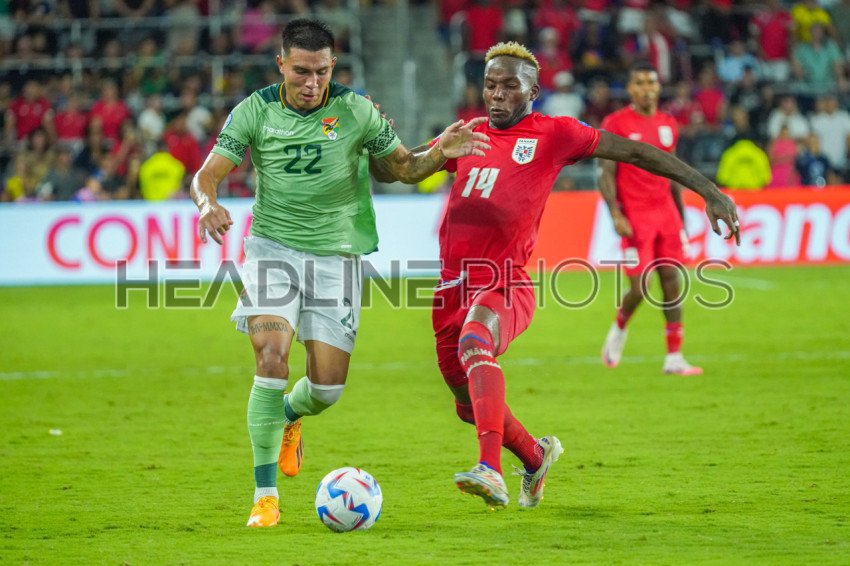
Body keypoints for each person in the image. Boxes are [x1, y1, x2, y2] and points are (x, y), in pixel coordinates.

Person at [372, 43, 740, 509]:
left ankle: (489, 469)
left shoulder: (555, 134)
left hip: (506, 280)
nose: (497, 94)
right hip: (450, 288)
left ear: (533, 92)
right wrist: (378, 138)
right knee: (468, 407)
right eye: (490, 85)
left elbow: (634, 151)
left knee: (475, 343)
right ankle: (535, 457)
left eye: (510, 86)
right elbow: (399, 172)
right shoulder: (468, 135)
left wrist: (709, 190)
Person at [191, 19, 489, 528]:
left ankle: (289, 415)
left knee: (326, 389)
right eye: (301, 72)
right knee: (270, 359)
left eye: (322, 72)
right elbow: (206, 175)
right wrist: (207, 204)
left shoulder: (356, 110)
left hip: (337, 257)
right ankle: (265, 496)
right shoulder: (254, 111)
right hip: (272, 251)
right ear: (281, 65)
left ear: (333, 66)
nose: (312, 83)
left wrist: (440, 152)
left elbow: (402, 167)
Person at [600, 61, 703, 376]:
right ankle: (619, 328)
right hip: (636, 216)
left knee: (671, 281)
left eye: (651, 82)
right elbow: (605, 173)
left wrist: (681, 218)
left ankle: (674, 357)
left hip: (666, 214)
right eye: (640, 83)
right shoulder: (616, 123)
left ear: (659, 87)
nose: (647, 88)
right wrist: (615, 213)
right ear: (630, 89)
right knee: (640, 286)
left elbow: (672, 173)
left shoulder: (668, 123)